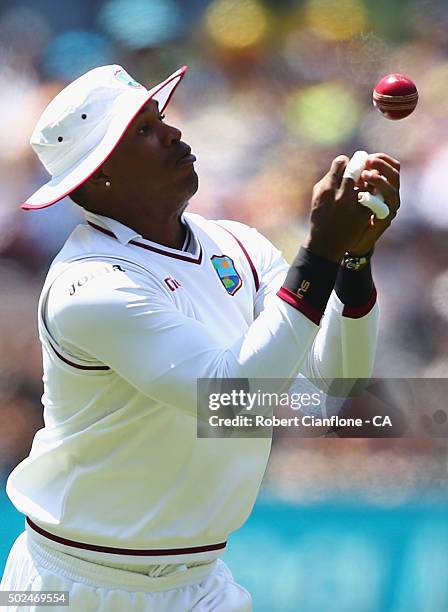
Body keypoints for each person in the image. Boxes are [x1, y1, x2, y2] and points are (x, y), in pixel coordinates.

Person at [1, 64, 400, 611]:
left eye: (158, 117)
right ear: (99, 178)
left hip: (200, 582)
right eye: (141, 131)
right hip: (72, 584)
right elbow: (232, 396)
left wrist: (353, 261)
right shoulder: (88, 285)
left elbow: (333, 381)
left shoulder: (236, 245)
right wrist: (320, 254)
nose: (172, 132)